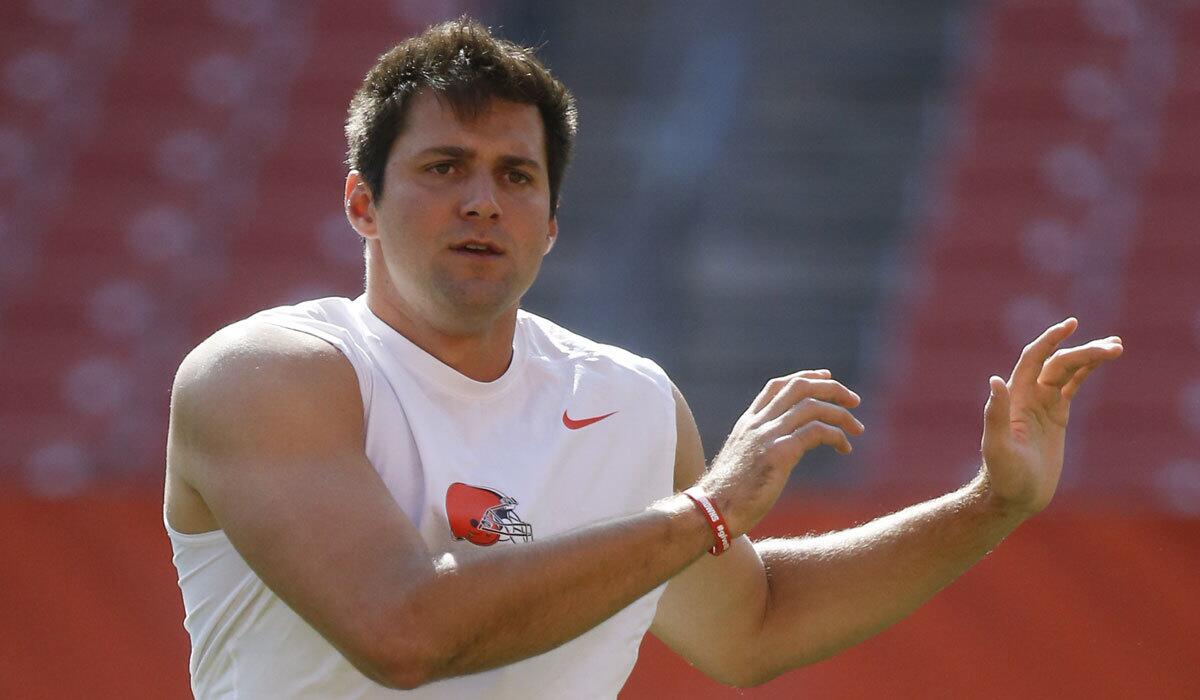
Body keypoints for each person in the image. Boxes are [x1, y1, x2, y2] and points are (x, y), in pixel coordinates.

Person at [163, 17, 1124, 699]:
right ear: (361, 205)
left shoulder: (626, 399)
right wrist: (705, 512)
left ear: (551, 226)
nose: (483, 202)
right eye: (443, 167)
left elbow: (753, 625)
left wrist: (990, 503)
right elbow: (403, 633)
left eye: (517, 176)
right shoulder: (266, 375)